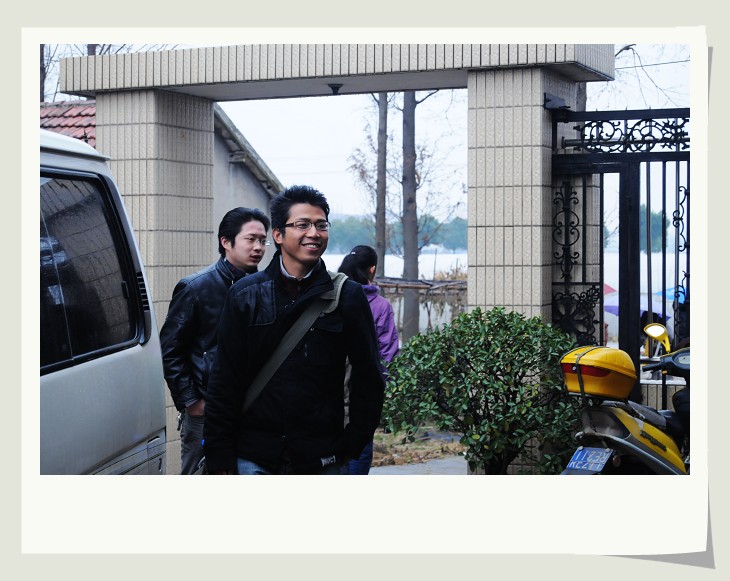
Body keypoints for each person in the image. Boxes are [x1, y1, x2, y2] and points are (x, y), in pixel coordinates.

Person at [203, 185, 385, 475]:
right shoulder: (246, 294)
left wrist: (352, 442)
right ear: (278, 235)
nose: (314, 233)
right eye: (302, 225)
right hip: (253, 455)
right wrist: (219, 452)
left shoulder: (347, 295)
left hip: (321, 456)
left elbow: (368, 378)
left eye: (321, 225)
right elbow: (224, 379)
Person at [160, 207, 271, 474]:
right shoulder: (196, 287)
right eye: (250, 239)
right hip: (207, 409)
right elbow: (169, 349)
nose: (258, 247)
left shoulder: (268, 287)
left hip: (255, 410)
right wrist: (192, 402)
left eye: (262, 240)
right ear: (226, 242)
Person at [337, 245, 399, 474]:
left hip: (327, 397)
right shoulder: (380, 306)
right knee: (359, 453)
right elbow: (388, 353)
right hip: (362, 398)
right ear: (372, 269)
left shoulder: (330, 297)